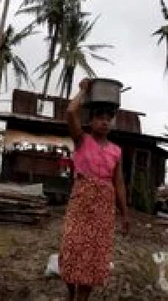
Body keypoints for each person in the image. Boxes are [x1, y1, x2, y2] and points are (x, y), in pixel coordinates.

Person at [59, 78, 129, 301]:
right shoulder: (82, 140)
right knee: (72, 249)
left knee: (95, 256)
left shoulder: (116, 151)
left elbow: (118, 183)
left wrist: (124, 213)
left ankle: (82, 298)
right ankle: (71, 292)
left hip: (102, 208)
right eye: (100, 118)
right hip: (81, 202)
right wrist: (83, 90)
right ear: (91, 121)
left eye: (108, 119)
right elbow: (71, 112)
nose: (105, 122)